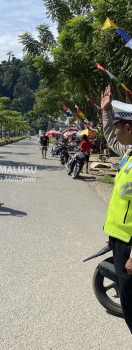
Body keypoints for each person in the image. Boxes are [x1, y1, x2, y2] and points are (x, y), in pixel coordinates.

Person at [101, 84, 132, 334]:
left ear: (130, 128)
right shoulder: (129, 153)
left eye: (119, 125)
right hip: (120, 242)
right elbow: (111, 139)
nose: (116, 130)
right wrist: (106, 112)